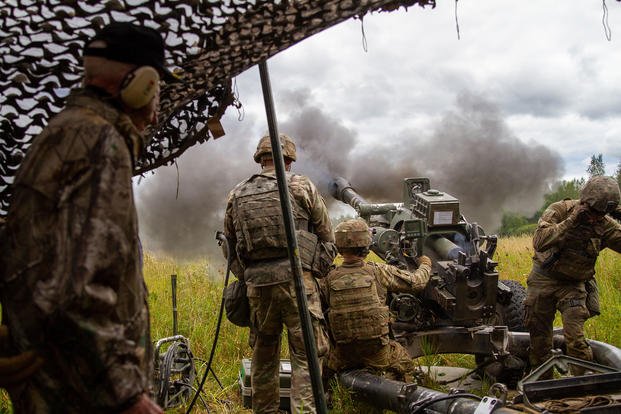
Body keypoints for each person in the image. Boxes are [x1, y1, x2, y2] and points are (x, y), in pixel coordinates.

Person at [0, 21, 175, 413]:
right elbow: (80, 293)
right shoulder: (100, 144)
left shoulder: (63, 133)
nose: (157, 108)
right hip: (85, 392)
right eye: (158, 87)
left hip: (55, 380)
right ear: (142, 83)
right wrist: (128, 396)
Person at [223, 133, 336, 414]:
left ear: (261, 159)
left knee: (263, 357)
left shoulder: (237, 193)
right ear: (289, 160)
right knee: (306, 357)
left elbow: (231, 249)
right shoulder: (301, 187)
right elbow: (328, 238)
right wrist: (312, 272)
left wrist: (250, 275)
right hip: (298, 285)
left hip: (258, 289)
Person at [525, 175, 621, 376]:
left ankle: (582, 383)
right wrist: (572, 221)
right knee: (539, 336)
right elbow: (540, 241)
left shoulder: (605, 224)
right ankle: (541, 382)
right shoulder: (559, 210)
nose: (596, 218)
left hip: (574, 285)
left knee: (576, 338)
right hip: (543, 278)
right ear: (585, 202)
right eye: (593, 212)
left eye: (602, 214)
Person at [323, 218, 432, 382]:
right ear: (366, 245)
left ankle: (329, 396)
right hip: (378, 353)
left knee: (326, 367)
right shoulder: (378, 271)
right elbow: (417, 282)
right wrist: (425, 264)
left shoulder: (329, 278)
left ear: (339, 246)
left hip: (344, 354)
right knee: (406, 365)